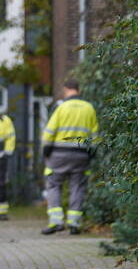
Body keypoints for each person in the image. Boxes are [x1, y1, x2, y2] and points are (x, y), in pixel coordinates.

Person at [41, 79, 98, 235]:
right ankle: (74, 223)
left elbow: (49, 131)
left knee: (53, 185)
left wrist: (45, 150)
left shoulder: (60, 107)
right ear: (78, 90)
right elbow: (95, 134)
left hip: (58, 154)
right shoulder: (89, 108)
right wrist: (92, 152)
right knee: (77, 187)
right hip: (81, 155)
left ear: (66, 89)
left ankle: (56, 222)